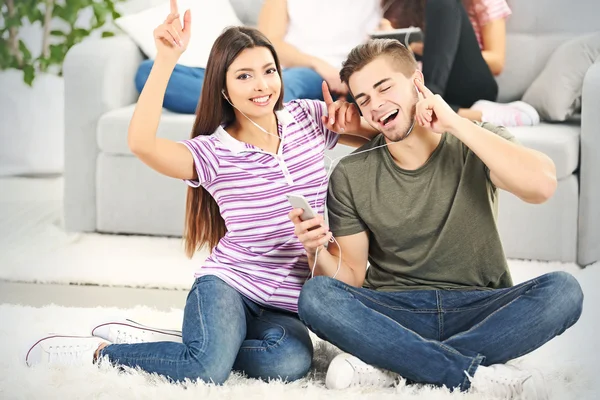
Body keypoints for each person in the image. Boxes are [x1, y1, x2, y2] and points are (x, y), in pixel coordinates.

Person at [24, 1, 377, 385]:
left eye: (269, 71)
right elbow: (142, 144)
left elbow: (386, 139)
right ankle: (100, 353)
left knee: (289, 364)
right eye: (244, 76)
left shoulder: (307, 118)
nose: (261, 86)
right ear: (223, 89)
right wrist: (166, 59)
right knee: (206, 369)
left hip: (285, 303)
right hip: (229, 285)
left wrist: (354, 120)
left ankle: (188, 344)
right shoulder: (212, 152)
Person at [288, 39, 583, 397]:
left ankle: (394, 365)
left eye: (385, 87)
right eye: (363, 99)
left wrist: (457, 124)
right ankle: (469, 371)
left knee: (564, 291)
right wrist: (315, 250)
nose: (376, 104)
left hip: (479, 305)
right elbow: (349, 279)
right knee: (316, 295)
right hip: (396, 310)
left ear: (417, 80)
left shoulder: (474, 142)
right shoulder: (350, 174)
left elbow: (542, 185)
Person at [135, 0, 382, 113]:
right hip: (277, 70)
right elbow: (269, 42)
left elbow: (407, 47)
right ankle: (243, 100)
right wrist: (317, 63)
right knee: (148, 73)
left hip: (316, 79)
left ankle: (241, 101)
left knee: (288, 84)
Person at [381, 0, 540, 127]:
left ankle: (429, 99)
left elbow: (497, 61)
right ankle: (455, 113)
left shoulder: (484, 2)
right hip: (427, 77)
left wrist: (426, 48)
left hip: (468, 83)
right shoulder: (402, 6)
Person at [258, 0, 382, 100]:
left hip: (360, 72)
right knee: (281, 87)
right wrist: (318, 65)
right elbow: (269, 43)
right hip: (307, 71)